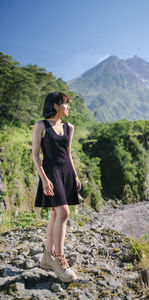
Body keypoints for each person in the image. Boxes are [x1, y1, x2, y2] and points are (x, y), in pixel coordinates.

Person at [32, 92, 81, 282]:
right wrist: (44, 179)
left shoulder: (70, 127)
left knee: (55, 214)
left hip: (66, 172)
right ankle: (60, 262)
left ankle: (47, 256)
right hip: (51, 173)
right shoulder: (41, 126)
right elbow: (35, 155)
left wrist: (75, 175)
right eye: (65, 104)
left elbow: (68, 154)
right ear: (55, 106)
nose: (68, 107)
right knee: (63, 213)